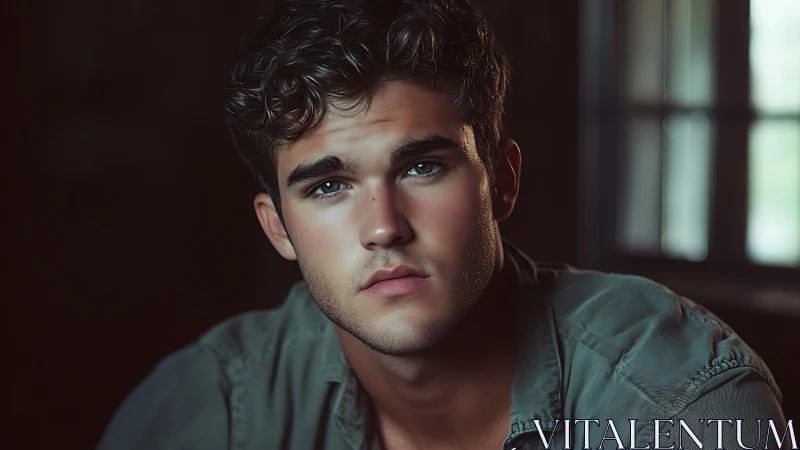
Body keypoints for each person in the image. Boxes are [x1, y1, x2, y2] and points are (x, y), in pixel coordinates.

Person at [98, 0, 787, 449]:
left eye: (422, 168)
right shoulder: (215, 405)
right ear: (278, 228)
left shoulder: (676, 404)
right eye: (330, 186)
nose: (384, 227)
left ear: (504, 180)